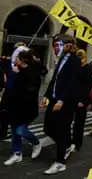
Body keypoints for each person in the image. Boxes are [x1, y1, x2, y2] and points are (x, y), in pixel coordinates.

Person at [41, 35, 81, 175]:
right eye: (55, 45)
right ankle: (67, 145)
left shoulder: (75, 60)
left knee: (61, 130)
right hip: (54, 98)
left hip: (65, 102)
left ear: (69, 45)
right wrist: (46, 96)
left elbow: (71, 83)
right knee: (47, 128)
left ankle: (60, 162)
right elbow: (55, 79)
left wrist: (61, 100)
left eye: (59, 45)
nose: (56, 47)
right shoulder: (61, 60)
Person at [2, 49, 42, 166]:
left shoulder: (31, 73)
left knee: (20, 130)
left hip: (26, 108)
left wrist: (15, 76)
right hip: (14, 106)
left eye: (17, 59)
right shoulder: (17, 71)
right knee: (15, 130)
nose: (15, 62)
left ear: (22, 60)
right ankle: (17, 153)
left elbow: (29, 91)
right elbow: (9, 88)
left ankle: (36, 142)